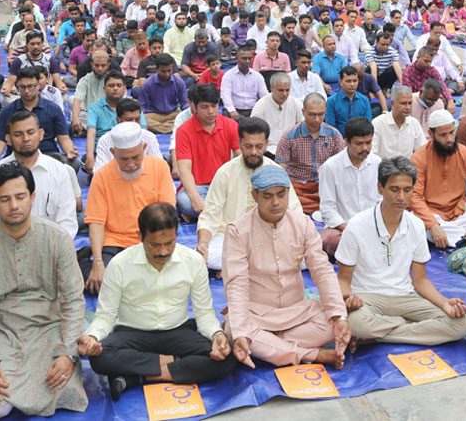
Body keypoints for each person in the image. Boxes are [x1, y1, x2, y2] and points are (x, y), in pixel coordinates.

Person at [0, 161, 87, 419]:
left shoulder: (57, 238)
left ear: (32, 197)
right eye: (4, 199)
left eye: (20, 197)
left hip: (48, 327)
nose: (14, 206)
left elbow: (73, 300)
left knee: (62, 388)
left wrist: (67, 354)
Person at [78, 203, 237, 399]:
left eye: (169, 243)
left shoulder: (193, 262)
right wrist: (92, 337)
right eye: (154, 244)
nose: (163, 251)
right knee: (100, 358)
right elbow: (105, 316)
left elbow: (204, 312)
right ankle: (177, 363)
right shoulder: (120, 264)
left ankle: (138, 378)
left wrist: (217, 335)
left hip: (177, 331)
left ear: (177, 235)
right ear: (140, 236)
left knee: (227, 356)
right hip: (132, 333)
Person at [223, 165, 352, 368]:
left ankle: (273, 346)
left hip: (297, 311)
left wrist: (338, 316)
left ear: (288, 192)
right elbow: (236, 283)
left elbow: (322, 271)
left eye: (281, 194)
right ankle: (310, 354)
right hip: (257, 313)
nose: (276, 202)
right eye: (268, 196)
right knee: (236, 329)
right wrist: (240, 332)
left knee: (332, 323)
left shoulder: (302, 223)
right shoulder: (238, 231)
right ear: (255, 195)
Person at [336, 156, 466, 346]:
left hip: (405, 296)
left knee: (461, 324)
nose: (401, 197)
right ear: (380, 188)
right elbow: (343, 279)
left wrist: (444, 303)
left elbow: (420, 280)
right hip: (367, 298)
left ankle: (376, 336)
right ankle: (402, 325)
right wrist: (347, 300)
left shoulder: (416, 225)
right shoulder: (357, 225)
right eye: (394, 189)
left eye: (407, 190)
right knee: (357, 323)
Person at [81, 123, 178, 294]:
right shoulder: (102, 176)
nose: (131, 164)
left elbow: (167, 213)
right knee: (103, 283)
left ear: (144, 148)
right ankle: (86, 261)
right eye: (124, 159)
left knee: (171, 283)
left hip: (151, 241)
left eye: (136, 157)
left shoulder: (160, 167)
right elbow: (96, 222)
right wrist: (97, 262)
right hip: (114, 243)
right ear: (113, 153)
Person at [197, 118, 305, 270]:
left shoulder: (276, 172)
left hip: (270, 236)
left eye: (259, 146)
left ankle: (241, 266)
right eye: (248, 146)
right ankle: (260, 265)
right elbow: (209, 216)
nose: (253, 152)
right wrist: (203, 244)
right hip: (230, 237)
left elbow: (294, 212)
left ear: (267, 144)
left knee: (305, 258)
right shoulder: (225, 172)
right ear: (239, 143)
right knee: (210, 258)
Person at [0, 111, 79, 238]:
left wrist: (52, 249)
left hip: (50, 247)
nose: (26, 139)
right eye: (18, 134)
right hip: (6, 248)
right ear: (8, 139)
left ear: (41, 134)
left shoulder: (58, 171)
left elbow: (67, 221)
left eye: (31, 133)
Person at [409, 109, 466, 248]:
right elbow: (415, 197)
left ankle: (459, 235)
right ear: (431, 134)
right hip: (432, 214)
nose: (449, 139)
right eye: (443, 135)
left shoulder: (464, 153)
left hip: (459, 212)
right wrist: (433, 225)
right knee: (414, 222)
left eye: (451, 133)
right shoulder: (419, 158)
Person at [0, 66, 81, 174]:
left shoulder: (53, 109)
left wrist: (69, 150)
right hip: (17, 157)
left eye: (30, 86)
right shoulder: (8, 111)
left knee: (72, 166)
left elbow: (64, 138)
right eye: (23, 87)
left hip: (48, 156)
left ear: (38, 85)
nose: (27, 91)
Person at [174, 84, 240, 219]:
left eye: (214, 106)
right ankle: (223, 214)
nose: (211, 111)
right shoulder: (184, 131)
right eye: (204, 107)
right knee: (184, 201)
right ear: (194, 106)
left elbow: (241, 155)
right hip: (198, 186)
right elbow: (185, 170)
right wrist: (195, 198)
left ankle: (204, 215)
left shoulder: (230, 124)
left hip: (225, 183)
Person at [318, 118, 382, 257]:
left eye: (368, 143)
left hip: (373, 227)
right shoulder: (330, 167)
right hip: (343, 229)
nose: (365, 148)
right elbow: (328, 209)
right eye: (359, 144)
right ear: (346, 142)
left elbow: (381, 201)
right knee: (330, 240)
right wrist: (350, 230)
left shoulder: (377, 163)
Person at [275, 93, 346, 214]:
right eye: (312, 114)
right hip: (298, 186)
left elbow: (342, 166)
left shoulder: (334, 135)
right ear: (303, 112)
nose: (317, 119)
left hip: (325, 186)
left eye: (321, 114)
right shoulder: (289, 136)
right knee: (291, 201)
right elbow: (280, 171)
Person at [83, 70, 128, 173]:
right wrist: (90, 156)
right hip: (101, 150)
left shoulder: (132, 105)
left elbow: (142, 130)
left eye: (119, 85)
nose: (115, 88)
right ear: (104, 89)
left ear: (124, 88)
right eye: (111, 86)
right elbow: (91, 132)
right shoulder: (95, 107)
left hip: (126, 150)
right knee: (84, 163)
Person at [251, 72, 304, 154]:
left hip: (291, 149)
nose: (285, 94)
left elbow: (303, 128)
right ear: (271, 88)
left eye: (287, 90)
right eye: (281, 90)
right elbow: (254, 130)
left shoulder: (296, 104)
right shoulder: (261, 105)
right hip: (267, 150)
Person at [371, 84, 428, 160]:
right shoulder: (377, 123)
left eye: (410, 103)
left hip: (408, 170)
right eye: (403, 103)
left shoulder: (414, 123)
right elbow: (372, 155)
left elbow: (422, 151)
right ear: (392, 103)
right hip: (383, 169)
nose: (408, 107)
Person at [134, 54, 187, 133]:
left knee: (185, 117)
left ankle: (160, 128)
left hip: (172, 113)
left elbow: (184, 103)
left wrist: (187, 114)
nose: (167, 74)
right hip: (154, 114)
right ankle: (170, 128)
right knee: (143, 119)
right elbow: (142, 106)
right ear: (157, 69)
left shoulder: (179, 82)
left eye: (169, 70)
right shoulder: (148, 83)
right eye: (163, 71)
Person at [221, 46, 266, 119]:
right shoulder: (228, 76)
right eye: (244, 58)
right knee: (227, 114)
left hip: (253, 111)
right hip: (235, 111)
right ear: (237, 59)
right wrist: (232, 111)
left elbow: (264, 96)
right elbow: (225, 96)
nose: (247, 61)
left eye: (249, 58)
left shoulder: (257, 76)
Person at [325, 65, 372, 130]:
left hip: (360, 138)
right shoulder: (331, 101)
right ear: (341, 82)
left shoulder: (364, 100)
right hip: (338, 138)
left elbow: (368, 124)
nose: (352, 84)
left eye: (355, 81)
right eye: (348, 81)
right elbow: (330, 127)